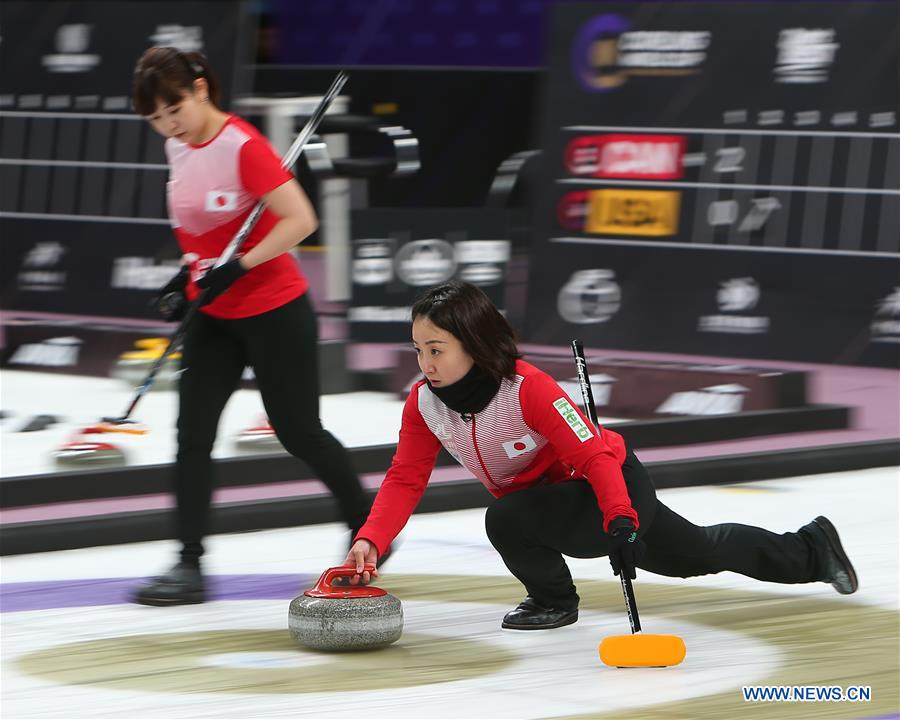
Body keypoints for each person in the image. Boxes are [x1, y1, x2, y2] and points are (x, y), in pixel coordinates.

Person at [343, 280, 858, 630]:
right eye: (418, 349)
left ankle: (553, 601)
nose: (425, 363)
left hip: (609, 485)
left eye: (437, 349)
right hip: (551, 505)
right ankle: (811, 549)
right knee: (690, 554)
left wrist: (620, 518)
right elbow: (405, 477)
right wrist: (373, 537)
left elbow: (594, 457)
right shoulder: (424, 402)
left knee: (512, 520)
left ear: (474, 346)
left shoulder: (529, 389)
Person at [130, 47, 372, 605]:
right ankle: (189, 565)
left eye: (174, 110)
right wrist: (180, 279)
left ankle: (368, 526)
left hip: (274, 309)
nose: (169, 126)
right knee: (192, 437)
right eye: (156, 119)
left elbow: (299, 220)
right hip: (214, 314)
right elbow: (204, 232)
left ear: (199, 88)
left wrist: (238, 266)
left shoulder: (242, 146)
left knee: (298, 431)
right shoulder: (178, 146)